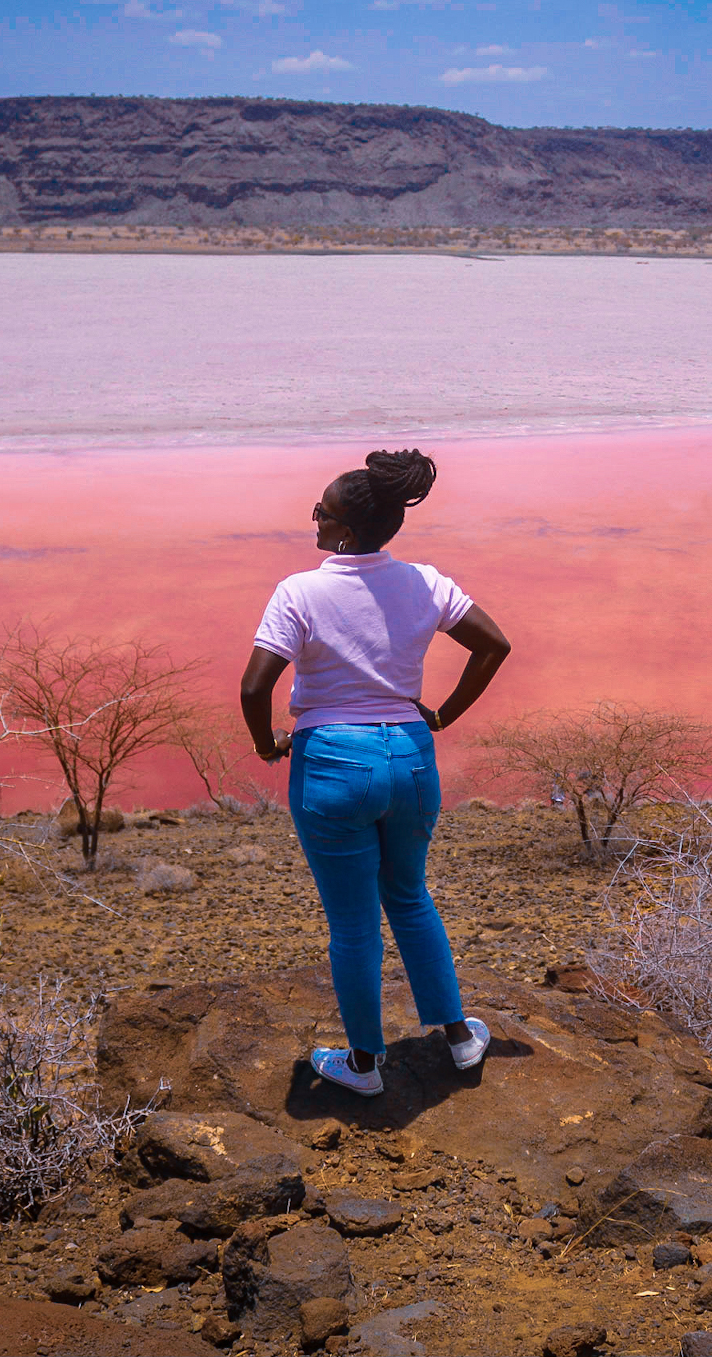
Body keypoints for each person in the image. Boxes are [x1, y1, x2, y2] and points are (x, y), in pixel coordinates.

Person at [239, 449, 512, 1097]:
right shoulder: (425, 583)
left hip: (333, 763)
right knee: (410, 897)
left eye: (322, 511)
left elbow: (253, 687)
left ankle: (364, 1066)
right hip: (411, 759)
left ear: (346, 530)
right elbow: (493, 645)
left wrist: (267, 746)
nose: (314, 517)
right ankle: (460, 1038)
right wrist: (441, 716)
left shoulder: (299, 591)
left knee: (355, 924)